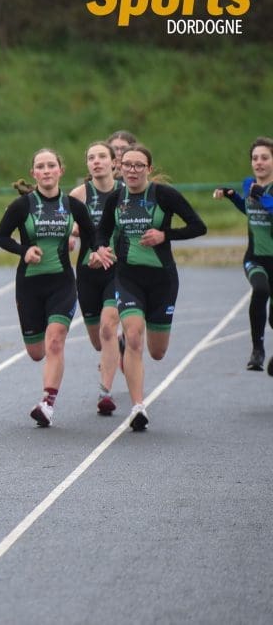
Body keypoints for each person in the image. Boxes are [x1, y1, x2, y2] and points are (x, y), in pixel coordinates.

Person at [97, 144, 207, 431]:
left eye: (138, 165)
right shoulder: (116, 199)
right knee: (134, 336)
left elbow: (198, 226)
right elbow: (102, 230)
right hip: (128, 278)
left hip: (162, 281)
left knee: (156, 351)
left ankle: (135, 356)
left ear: (148, 168)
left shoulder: (164, 195)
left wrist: (164, 234)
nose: (132, 171)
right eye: (127, 165)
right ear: (119, 167)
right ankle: (138, 407)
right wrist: (100, 248)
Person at [0, 148, 108, 427]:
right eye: (40, 167)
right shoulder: (22, 206)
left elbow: (93, 235)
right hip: (29, 285)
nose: (46, 171)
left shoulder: (73, 206)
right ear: (34, 173)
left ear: (60, 171)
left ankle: (47, 403)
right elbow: (1, 236)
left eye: (51, 166)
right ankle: (47, 386)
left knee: (55, 341)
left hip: (62, 283)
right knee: (37, 352)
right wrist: (24, 250)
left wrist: (95, 251)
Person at [68, 141, 123, 415]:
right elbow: (67, 225)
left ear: (114, 162)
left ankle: (105, 392)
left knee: (107, 327)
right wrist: (71, 237)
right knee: (98, 341)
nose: (97, 162)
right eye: (91, 158)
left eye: (102, 156)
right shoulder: (79, 194)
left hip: (119, 271)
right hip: (88, 272)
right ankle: (117, 348)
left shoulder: (126, 193)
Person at [213, 136, 273, 372]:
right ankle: (257, 350)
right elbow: (247, 208)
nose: (259, 162)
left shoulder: (260, 190)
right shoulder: (250, 184)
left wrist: (262, 196)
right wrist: (231, 196)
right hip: (255, 258)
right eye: (255, 158)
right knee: (260, 289)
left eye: (265, 158)